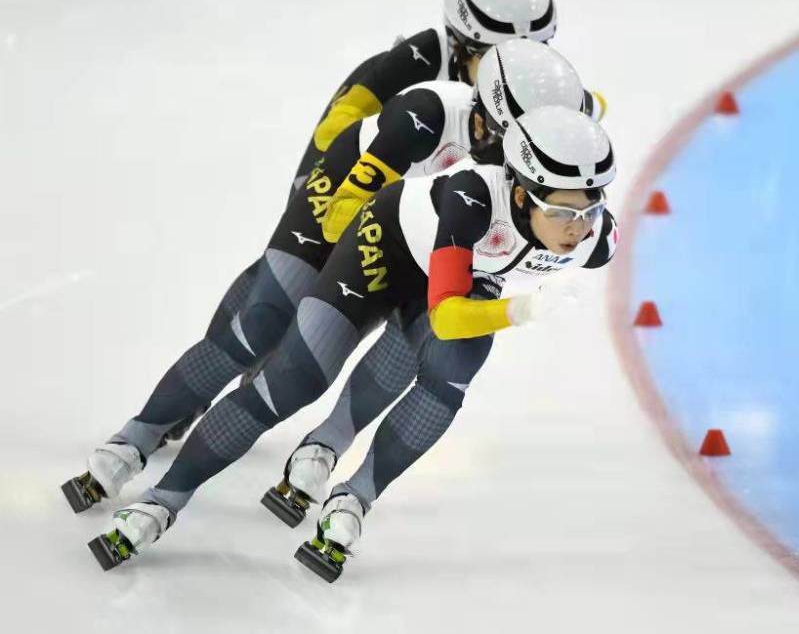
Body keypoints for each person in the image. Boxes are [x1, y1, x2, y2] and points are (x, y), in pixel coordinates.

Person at [87, 106, 618, 585]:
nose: (577, 229)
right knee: (297, 377)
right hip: (389, 248)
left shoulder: (598, 238)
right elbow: (450, 314)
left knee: (451, 373)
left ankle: (353, 495)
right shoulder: (472, 198)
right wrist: (523, 310)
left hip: (466, 276)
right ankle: (162, 501)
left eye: (588, 212)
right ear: (522, 194)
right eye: (563, 213)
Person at [62, 39, 594, 515]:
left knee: (411, 343)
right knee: (267, 322)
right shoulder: (427, 115)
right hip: (346, 203)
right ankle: (135, 438)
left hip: (423, 230)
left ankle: (325, 443)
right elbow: (347, 210)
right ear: (483, 122)